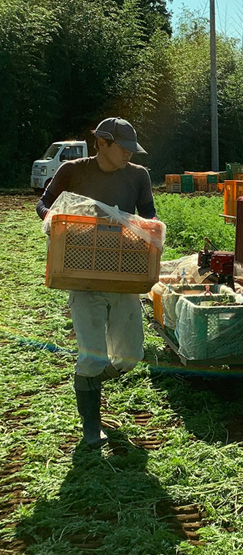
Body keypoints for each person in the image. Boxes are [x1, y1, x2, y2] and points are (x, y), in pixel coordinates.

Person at [36, 117, 156, 449]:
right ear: (101, 143)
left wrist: (150, 226)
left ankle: (88, 382)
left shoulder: (138, 176)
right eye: (123, 149)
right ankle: (91, 426)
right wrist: (52, 218)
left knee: (130, 355)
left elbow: (150, 214)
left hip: (124, 274)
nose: (129, 156)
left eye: (132, 150)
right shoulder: (73, 171)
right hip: (83, 272)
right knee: (92, 356)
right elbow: (44, 203)